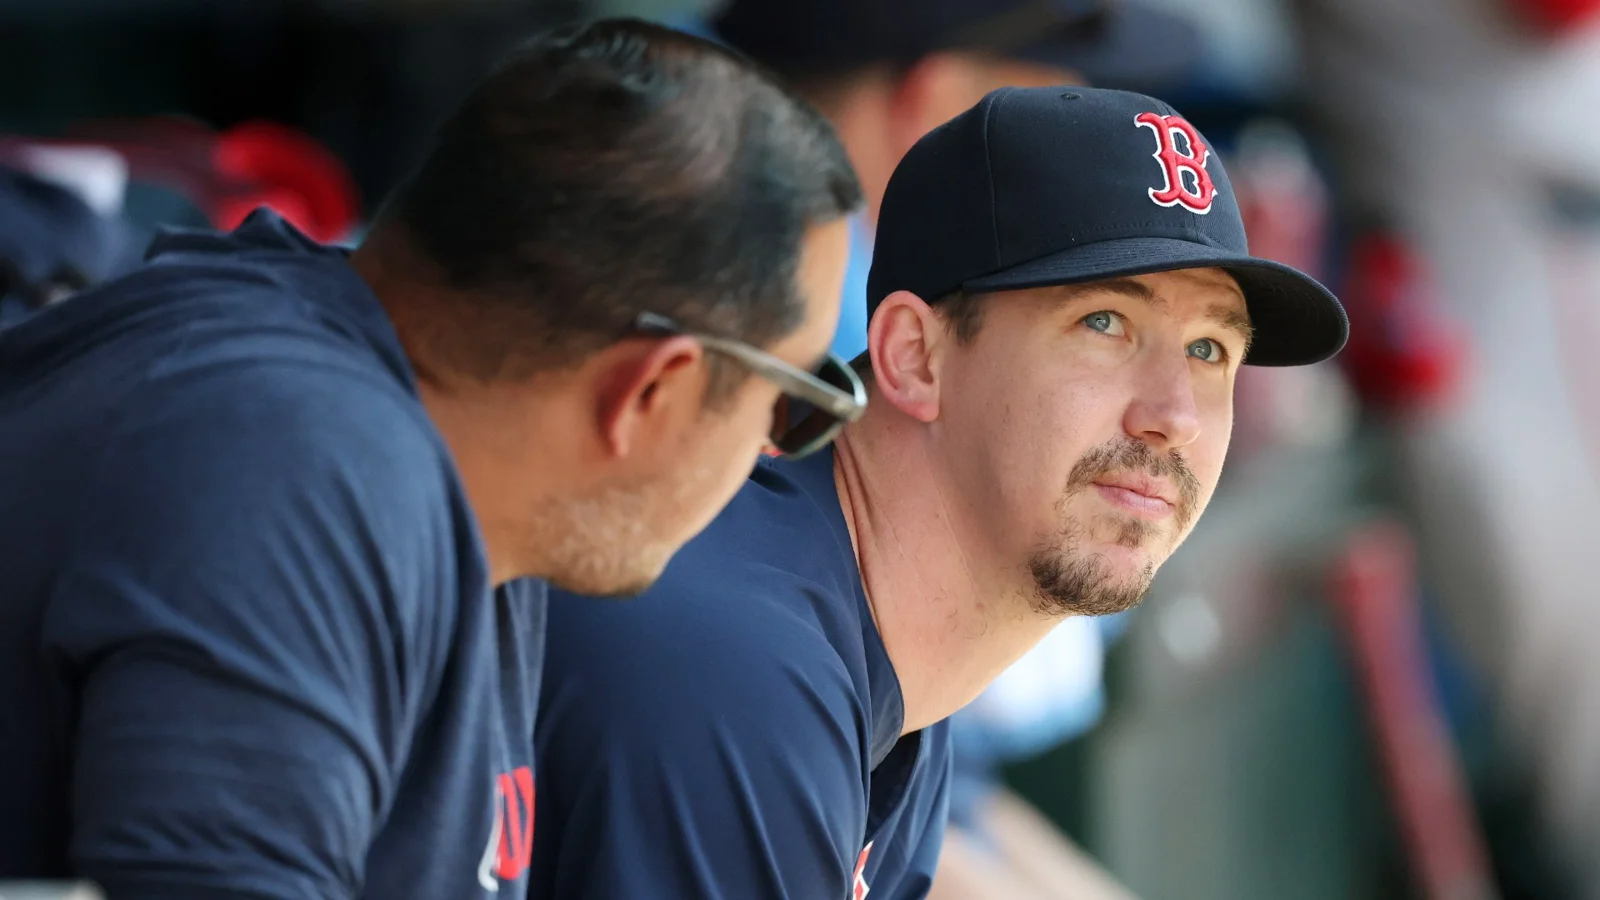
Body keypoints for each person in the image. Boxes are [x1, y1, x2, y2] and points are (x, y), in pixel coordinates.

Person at [0, 18, 863, 899]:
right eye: (791, 399)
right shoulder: (295, 465)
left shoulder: (466, 488)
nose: (772, 446)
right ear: (652, 391)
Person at [529, 84, 1349, 899]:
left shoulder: (890, 673)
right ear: (915, 357)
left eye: (1208, 350)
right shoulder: (744, 665)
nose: (1173, 418)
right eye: (1103, 323)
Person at [712, 0, 1200, 360]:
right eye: (1058, 111)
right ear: (940, 108)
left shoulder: (711, 248)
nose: (1077, 157)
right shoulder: (833, 349)